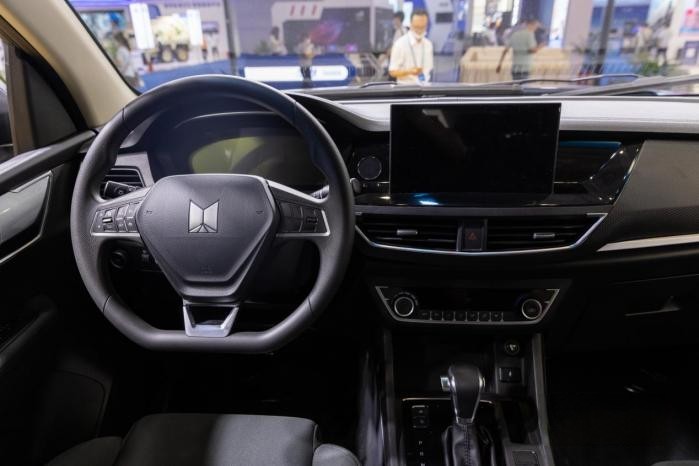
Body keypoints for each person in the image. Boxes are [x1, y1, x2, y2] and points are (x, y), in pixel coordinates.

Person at [389, 9, 434, 84]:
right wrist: (409, 71)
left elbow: (429, 69)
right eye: (416, 27)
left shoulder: (428, 45)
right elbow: (392, 72)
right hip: (405, 87)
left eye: (422, 27)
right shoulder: (400, 44)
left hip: (425, 86)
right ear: (410, 24)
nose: (419, 30)